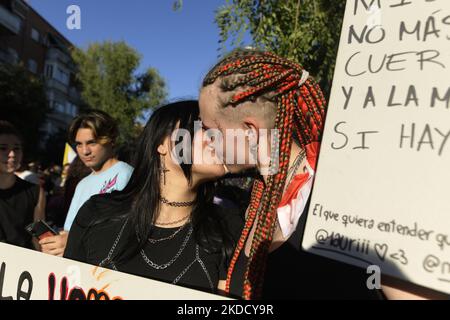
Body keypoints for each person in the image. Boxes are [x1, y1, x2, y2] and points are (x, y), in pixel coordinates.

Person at [198, 49, 389, 300]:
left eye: (212, 130)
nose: (207, 140)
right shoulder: (256, 198)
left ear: (250, 131)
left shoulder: (342, 192)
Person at [64, 101, 243, 294]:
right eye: (202, 128)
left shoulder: (229, 227)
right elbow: (63, 288)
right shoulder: (97, 213)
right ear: (161, 144)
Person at [40, 110, 133, 256]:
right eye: (79, 144)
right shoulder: (82, 184)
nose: (85, 151)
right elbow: (70, 230)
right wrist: (57, 243)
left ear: (111, 140)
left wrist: (72, 242)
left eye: (92, 142)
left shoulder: (125, 174)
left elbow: (122, 232)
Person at [0, 121, 46, 249]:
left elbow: (39, 240)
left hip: (21, 266)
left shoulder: (35, 193)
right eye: (3, 148)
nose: (12, 154)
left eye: (16, 148)